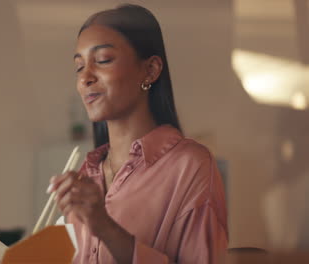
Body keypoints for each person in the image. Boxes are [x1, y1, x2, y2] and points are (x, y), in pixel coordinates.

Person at [47, 4, 228, 263]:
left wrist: (105, 227)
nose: (85, 77)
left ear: (151, 70)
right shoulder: (87, 175)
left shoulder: (191, 166)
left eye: (103, 60)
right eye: (79, 67)